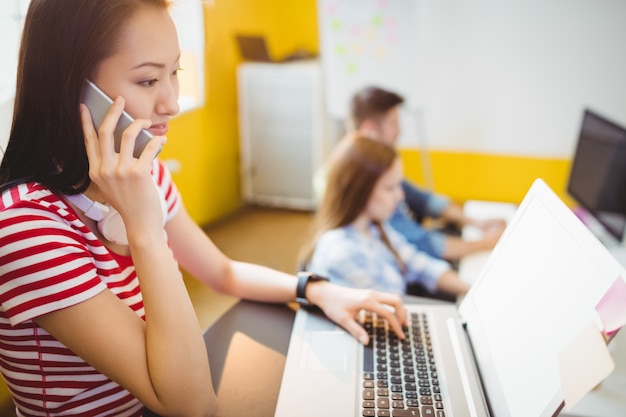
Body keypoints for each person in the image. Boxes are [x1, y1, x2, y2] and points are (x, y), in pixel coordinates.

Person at [0, 2, 407, 416]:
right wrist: (146, 230)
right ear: (75, 88)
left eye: (174, 73)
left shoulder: (144, 172)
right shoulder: (26, 225)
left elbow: (222, 271)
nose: (172, 103)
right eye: (148, 80)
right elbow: (192, 406)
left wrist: (315, 290)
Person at [301, 133, 470, 299]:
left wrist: (470, 288)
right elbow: (385, 311)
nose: (400, 196)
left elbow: (416, 263)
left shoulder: (374, 226)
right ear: (360, 192)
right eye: (390, 188)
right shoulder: (344, 252)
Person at [348, 85, 506, 262]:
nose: (399, 131)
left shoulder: (383, 171)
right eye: (393, 123)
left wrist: (476, 222)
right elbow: (419, 243)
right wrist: (485, 243)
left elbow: (424, 200)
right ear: (370, 130)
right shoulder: (369, 185)